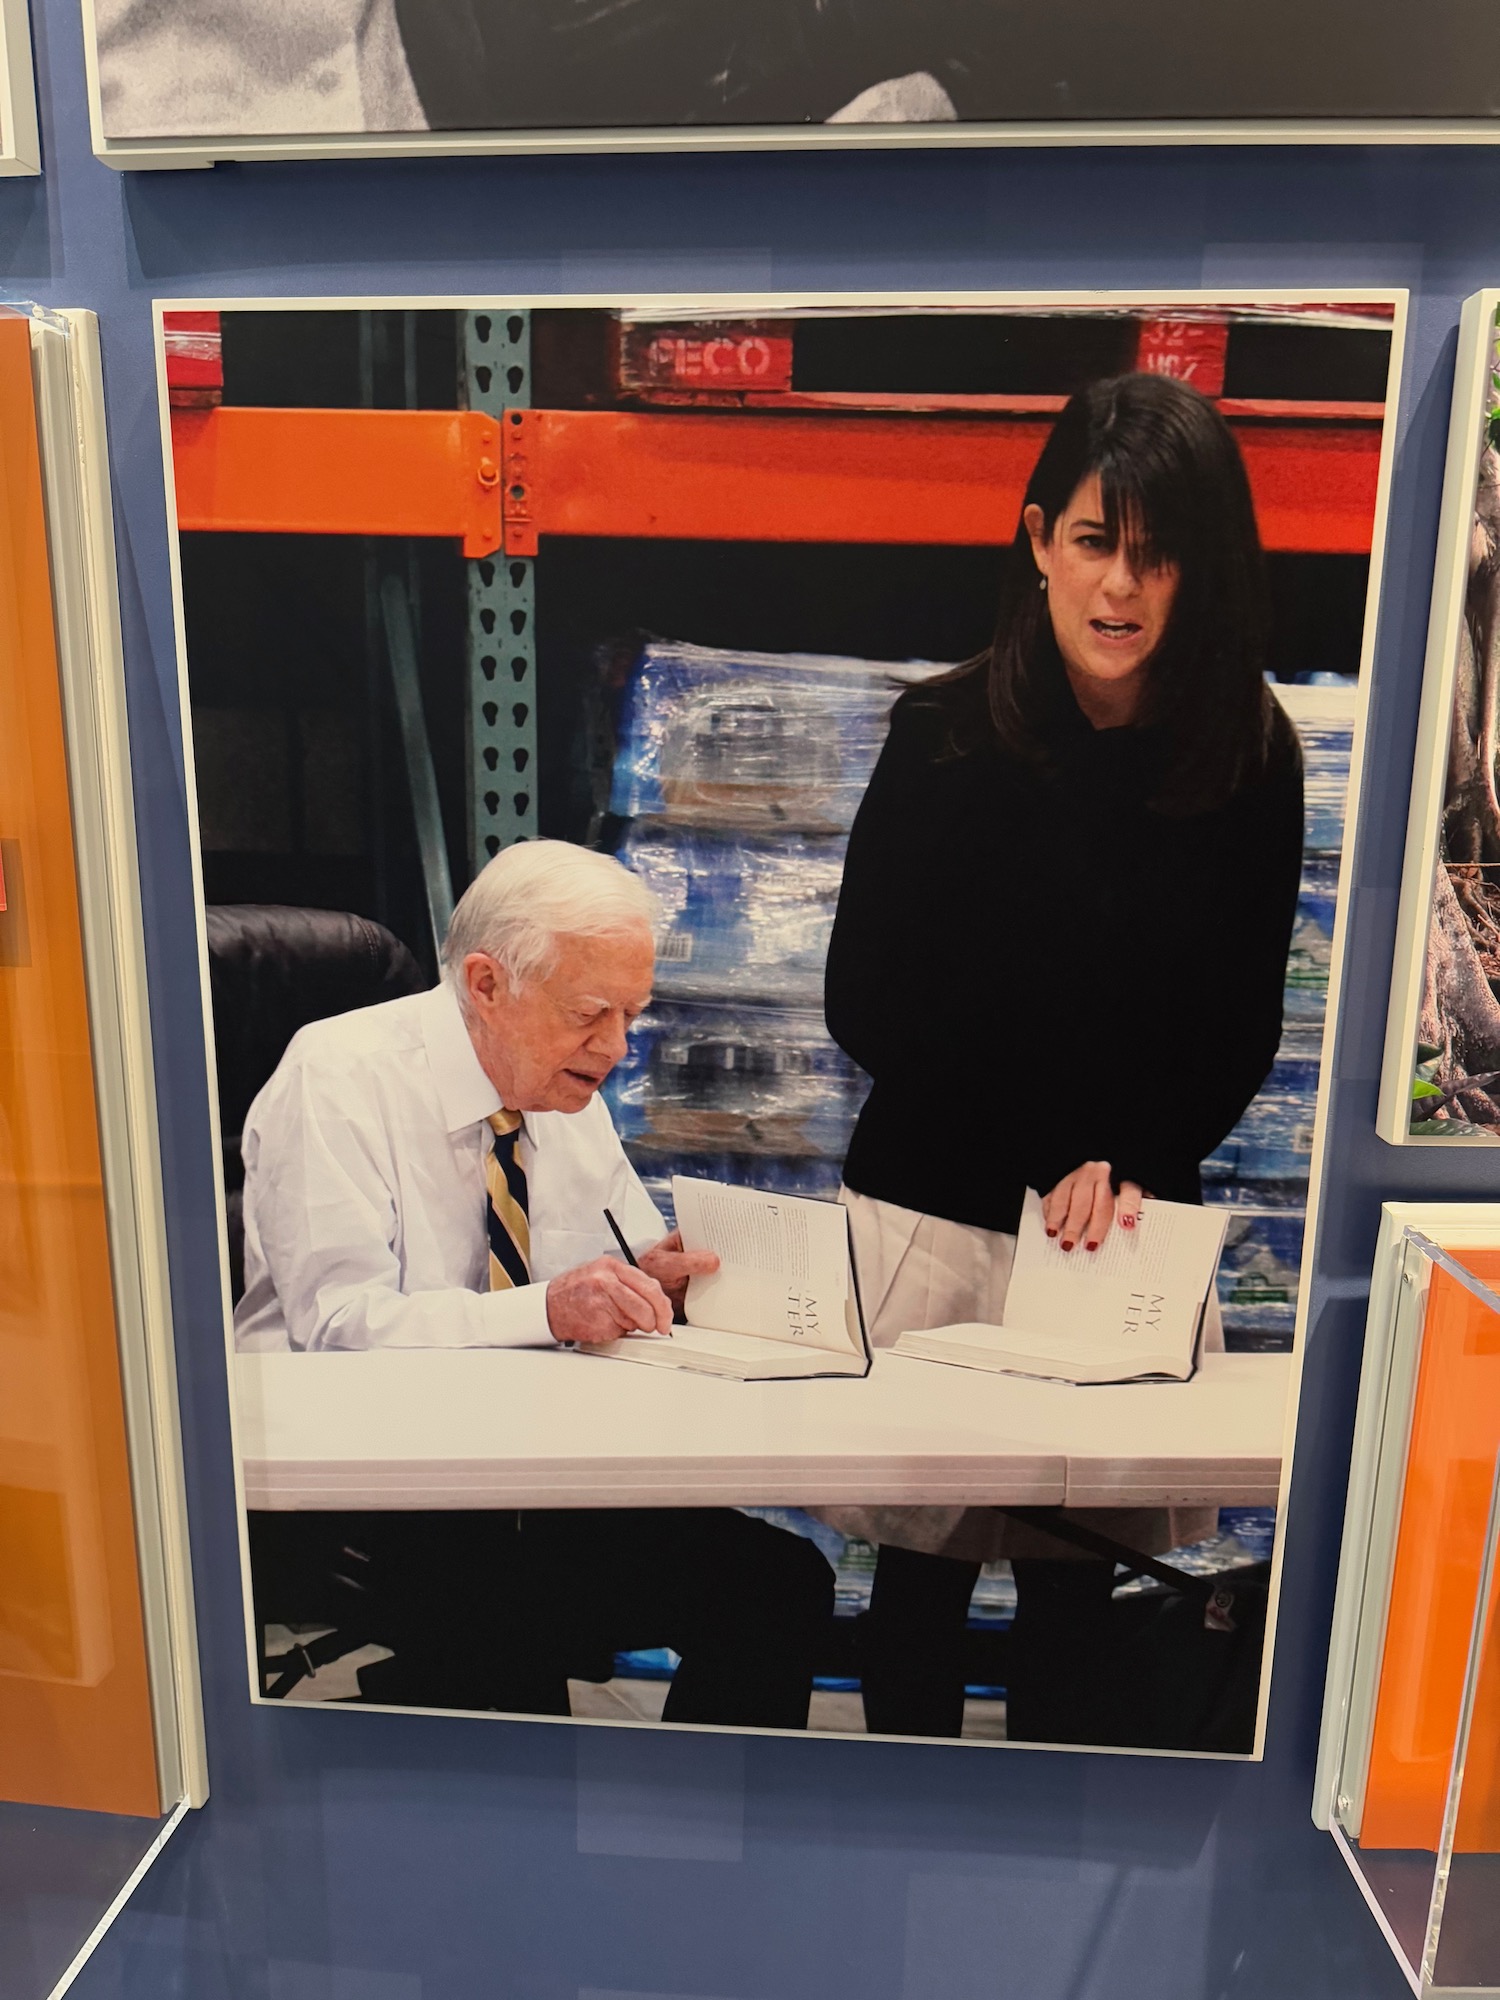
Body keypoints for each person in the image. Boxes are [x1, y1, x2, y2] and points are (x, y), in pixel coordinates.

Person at [821, 371, 1305, 1742]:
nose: (1122, 588)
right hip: (938, 1207)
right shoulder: (941, 736)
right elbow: (872, 1000)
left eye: (1158, 556)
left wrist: (1131, 1169)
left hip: (1124, 1228)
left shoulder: (1249, 756)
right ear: (1039, 538)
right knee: (916, 1584)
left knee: (1077, 1600)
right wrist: (1055, 1158)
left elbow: (1238, 1025)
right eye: (1096, 542)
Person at [236, 838, 832, 1725]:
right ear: (485, 984)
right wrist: (550, 1309)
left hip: (535, 1468)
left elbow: (615, 1261)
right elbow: (342, 1331)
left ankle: (705, 1853)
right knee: (498, 1633)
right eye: (593, 1012)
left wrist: (653, 1281)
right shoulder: (336, 1078)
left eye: (633, 1014)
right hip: (378, 1483)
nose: (618, 1048)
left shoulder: (563, 1092)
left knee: (778, 1585)